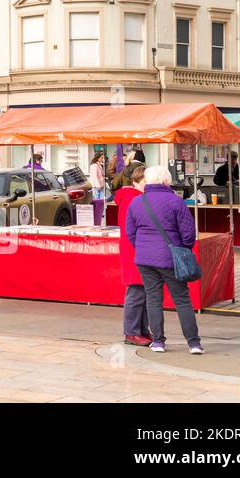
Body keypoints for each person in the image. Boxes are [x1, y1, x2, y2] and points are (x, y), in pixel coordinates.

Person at [125, 167, 203, 355]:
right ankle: (193, 343)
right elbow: (188, 234)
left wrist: (144, 247)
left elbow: (130, 232)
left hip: (144, 259)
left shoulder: (136, 202)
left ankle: (158, 341)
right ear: (166, 181)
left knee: (153, 300)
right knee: (182, 300)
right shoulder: (176, 202)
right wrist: (182, 249)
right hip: (170, 259)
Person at [116, 168, 152, 346]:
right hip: (134, 250)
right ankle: (131, 332)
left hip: (138, 249)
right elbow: (130, 228)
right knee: (136, 292)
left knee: (143, 293)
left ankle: (142, 329)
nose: (148, 186)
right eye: (145, 182)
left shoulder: (134, 198)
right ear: (136, 182)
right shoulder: (131, 199)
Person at [88, 150, 109, 224]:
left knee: (101, 201)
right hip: (97, 187)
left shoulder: (99, 165)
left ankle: (100, 214)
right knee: (97, 201)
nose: (102, 159)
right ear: (97, 157)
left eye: (103, 157)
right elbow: (95, 176)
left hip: (100, 186)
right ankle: (97, 216)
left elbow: (100, 176)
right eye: (101, 157)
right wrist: (98, 185)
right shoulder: (94, 166)